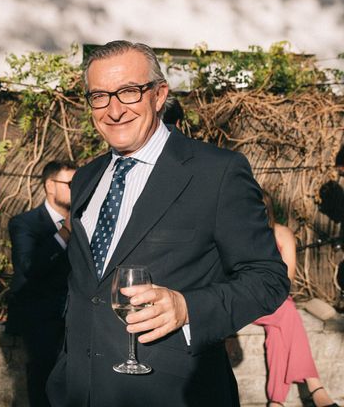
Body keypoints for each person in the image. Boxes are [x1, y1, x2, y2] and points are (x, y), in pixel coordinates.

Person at [46, 40, 290, 407]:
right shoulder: (86, 178)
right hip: (78, 391)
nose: (114, 110)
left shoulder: (217, 172)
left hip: (174, 394)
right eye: (100, 96)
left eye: (128, 92)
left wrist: (188, 307)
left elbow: (268, 278)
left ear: (159, 95)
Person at [254, 192, 339, 407]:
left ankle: (276, 401)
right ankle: (315, 386)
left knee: (277, 334)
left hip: (277, 300)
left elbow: (287, 280)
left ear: (267, 209)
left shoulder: (282, 234)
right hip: (251, 303)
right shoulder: (241, 237)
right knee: (288, 313)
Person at [8, 160, 76, 407]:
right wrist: (65, 233)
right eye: (70, 184)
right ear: (50, 185)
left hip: (76, 320)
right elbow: (29, 267)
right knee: (43, 388)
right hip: (40, 322)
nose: (76, 189)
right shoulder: (25, 224)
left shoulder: (85, 222)